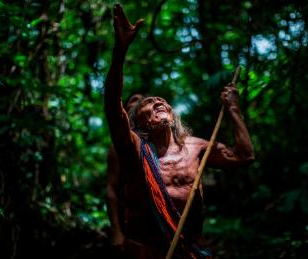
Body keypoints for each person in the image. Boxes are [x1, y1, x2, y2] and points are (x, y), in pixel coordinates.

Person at [104, 4, 254, 258]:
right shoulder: (133, 147)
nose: (158, 101)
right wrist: (120, 50)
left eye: (161, 100)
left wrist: (233, 109)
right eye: (149, 103)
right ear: (139, 122)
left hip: (188, 249)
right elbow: (111, 105)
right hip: (144, 251)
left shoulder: (197, 147)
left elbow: (244, 155)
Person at [106, 93, 144, 254]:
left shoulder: (160, 141)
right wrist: (116, 230)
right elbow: (111, 188)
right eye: (132, 101)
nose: (135, 103)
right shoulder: (118, 145)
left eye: (140, 101)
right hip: (132, 221)